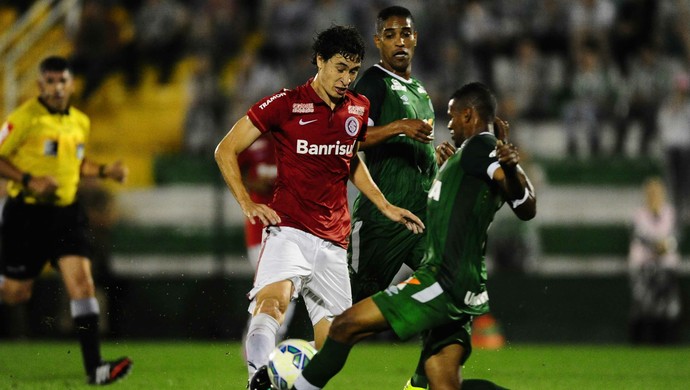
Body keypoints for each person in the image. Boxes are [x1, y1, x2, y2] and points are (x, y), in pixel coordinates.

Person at [213, 25, 425, 389]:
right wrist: (247, 202)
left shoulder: (358, 107)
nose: (347, 79)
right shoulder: (284, 104)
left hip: (334, 241)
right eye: (340, 68)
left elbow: (349, 158)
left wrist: (384, 204)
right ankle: (257, 380)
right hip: (290, 229)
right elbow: (225, 149)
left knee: (334, 343)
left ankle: (290, 380)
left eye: (354, 71)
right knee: (273, 304)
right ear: (320, 61)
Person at [293, 82, 537, 390]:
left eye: (450, 116)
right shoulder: (468, 160)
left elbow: (521, 199)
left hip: (442, 282)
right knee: (442, 384)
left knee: (345, 325)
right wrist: (464, 169)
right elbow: (520, 203)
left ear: (468, 115)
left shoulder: (480, 147)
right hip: (463, 284)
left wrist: (511, 170)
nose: (447, 125)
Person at [0, 56, 132, 385]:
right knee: (16, 293)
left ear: (72, 83)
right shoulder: (24, 118)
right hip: (27, 213)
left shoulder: (80, 121)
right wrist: (30, 180)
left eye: (63, 81)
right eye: (50, 82)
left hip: (66, 214)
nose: (57, 88)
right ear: (40, 85)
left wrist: (104, 171)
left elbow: (75, 163)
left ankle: (96, 368)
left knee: (82, 284)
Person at [348, 5, 440, 305]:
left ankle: (415, 332)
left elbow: (414, 150)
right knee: (348, 309)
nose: (399, 41)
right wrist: (398, 127)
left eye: (405, 34)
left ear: (416, 38)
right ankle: (312, 352)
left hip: (420, 218)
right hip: (382, 218)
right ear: (378, 42)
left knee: (446, 287)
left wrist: (436, 157)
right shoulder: (373, 83)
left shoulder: (420, 91)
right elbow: (350, 140)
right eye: (390, 35)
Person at [627, 177, 682, 344]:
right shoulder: (638, 214)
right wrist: (656, 246)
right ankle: (641, 342)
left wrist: (664, 246)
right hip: (644, 265)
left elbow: (674, 238)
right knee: (643, 304)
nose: (653, 195)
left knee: (668, 305)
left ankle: (667, 341)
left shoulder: (670, 213)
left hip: (666, 266)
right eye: (650, 192)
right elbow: (638, 237)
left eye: (656, 192)